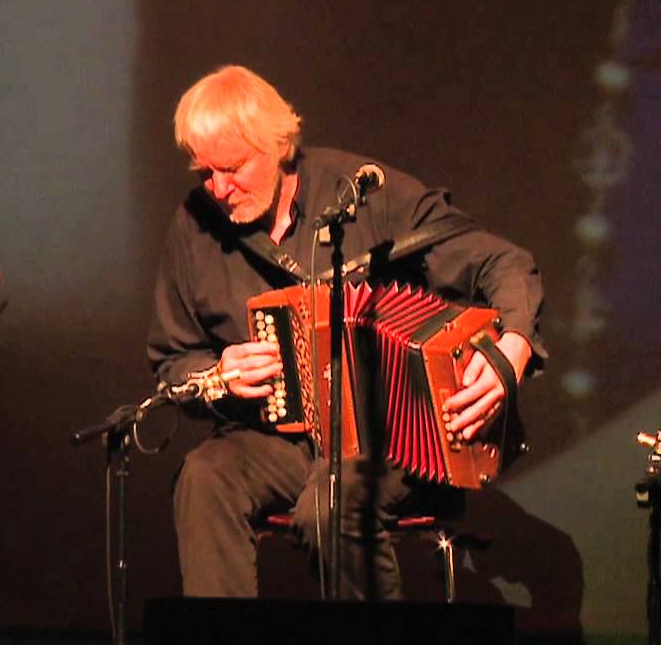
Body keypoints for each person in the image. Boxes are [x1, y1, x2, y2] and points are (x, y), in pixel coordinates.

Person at [147, 65, 547, 600]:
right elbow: (173, 359)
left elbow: (504, 262)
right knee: (204, 477)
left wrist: (512, 347)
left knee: (330, 503)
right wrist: (217, 376)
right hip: (281, 440)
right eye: (204, 173)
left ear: (280, 145)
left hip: (393, 442)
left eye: (234, 167)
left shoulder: (364, 192)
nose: (218, 189)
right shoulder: (194, 225)